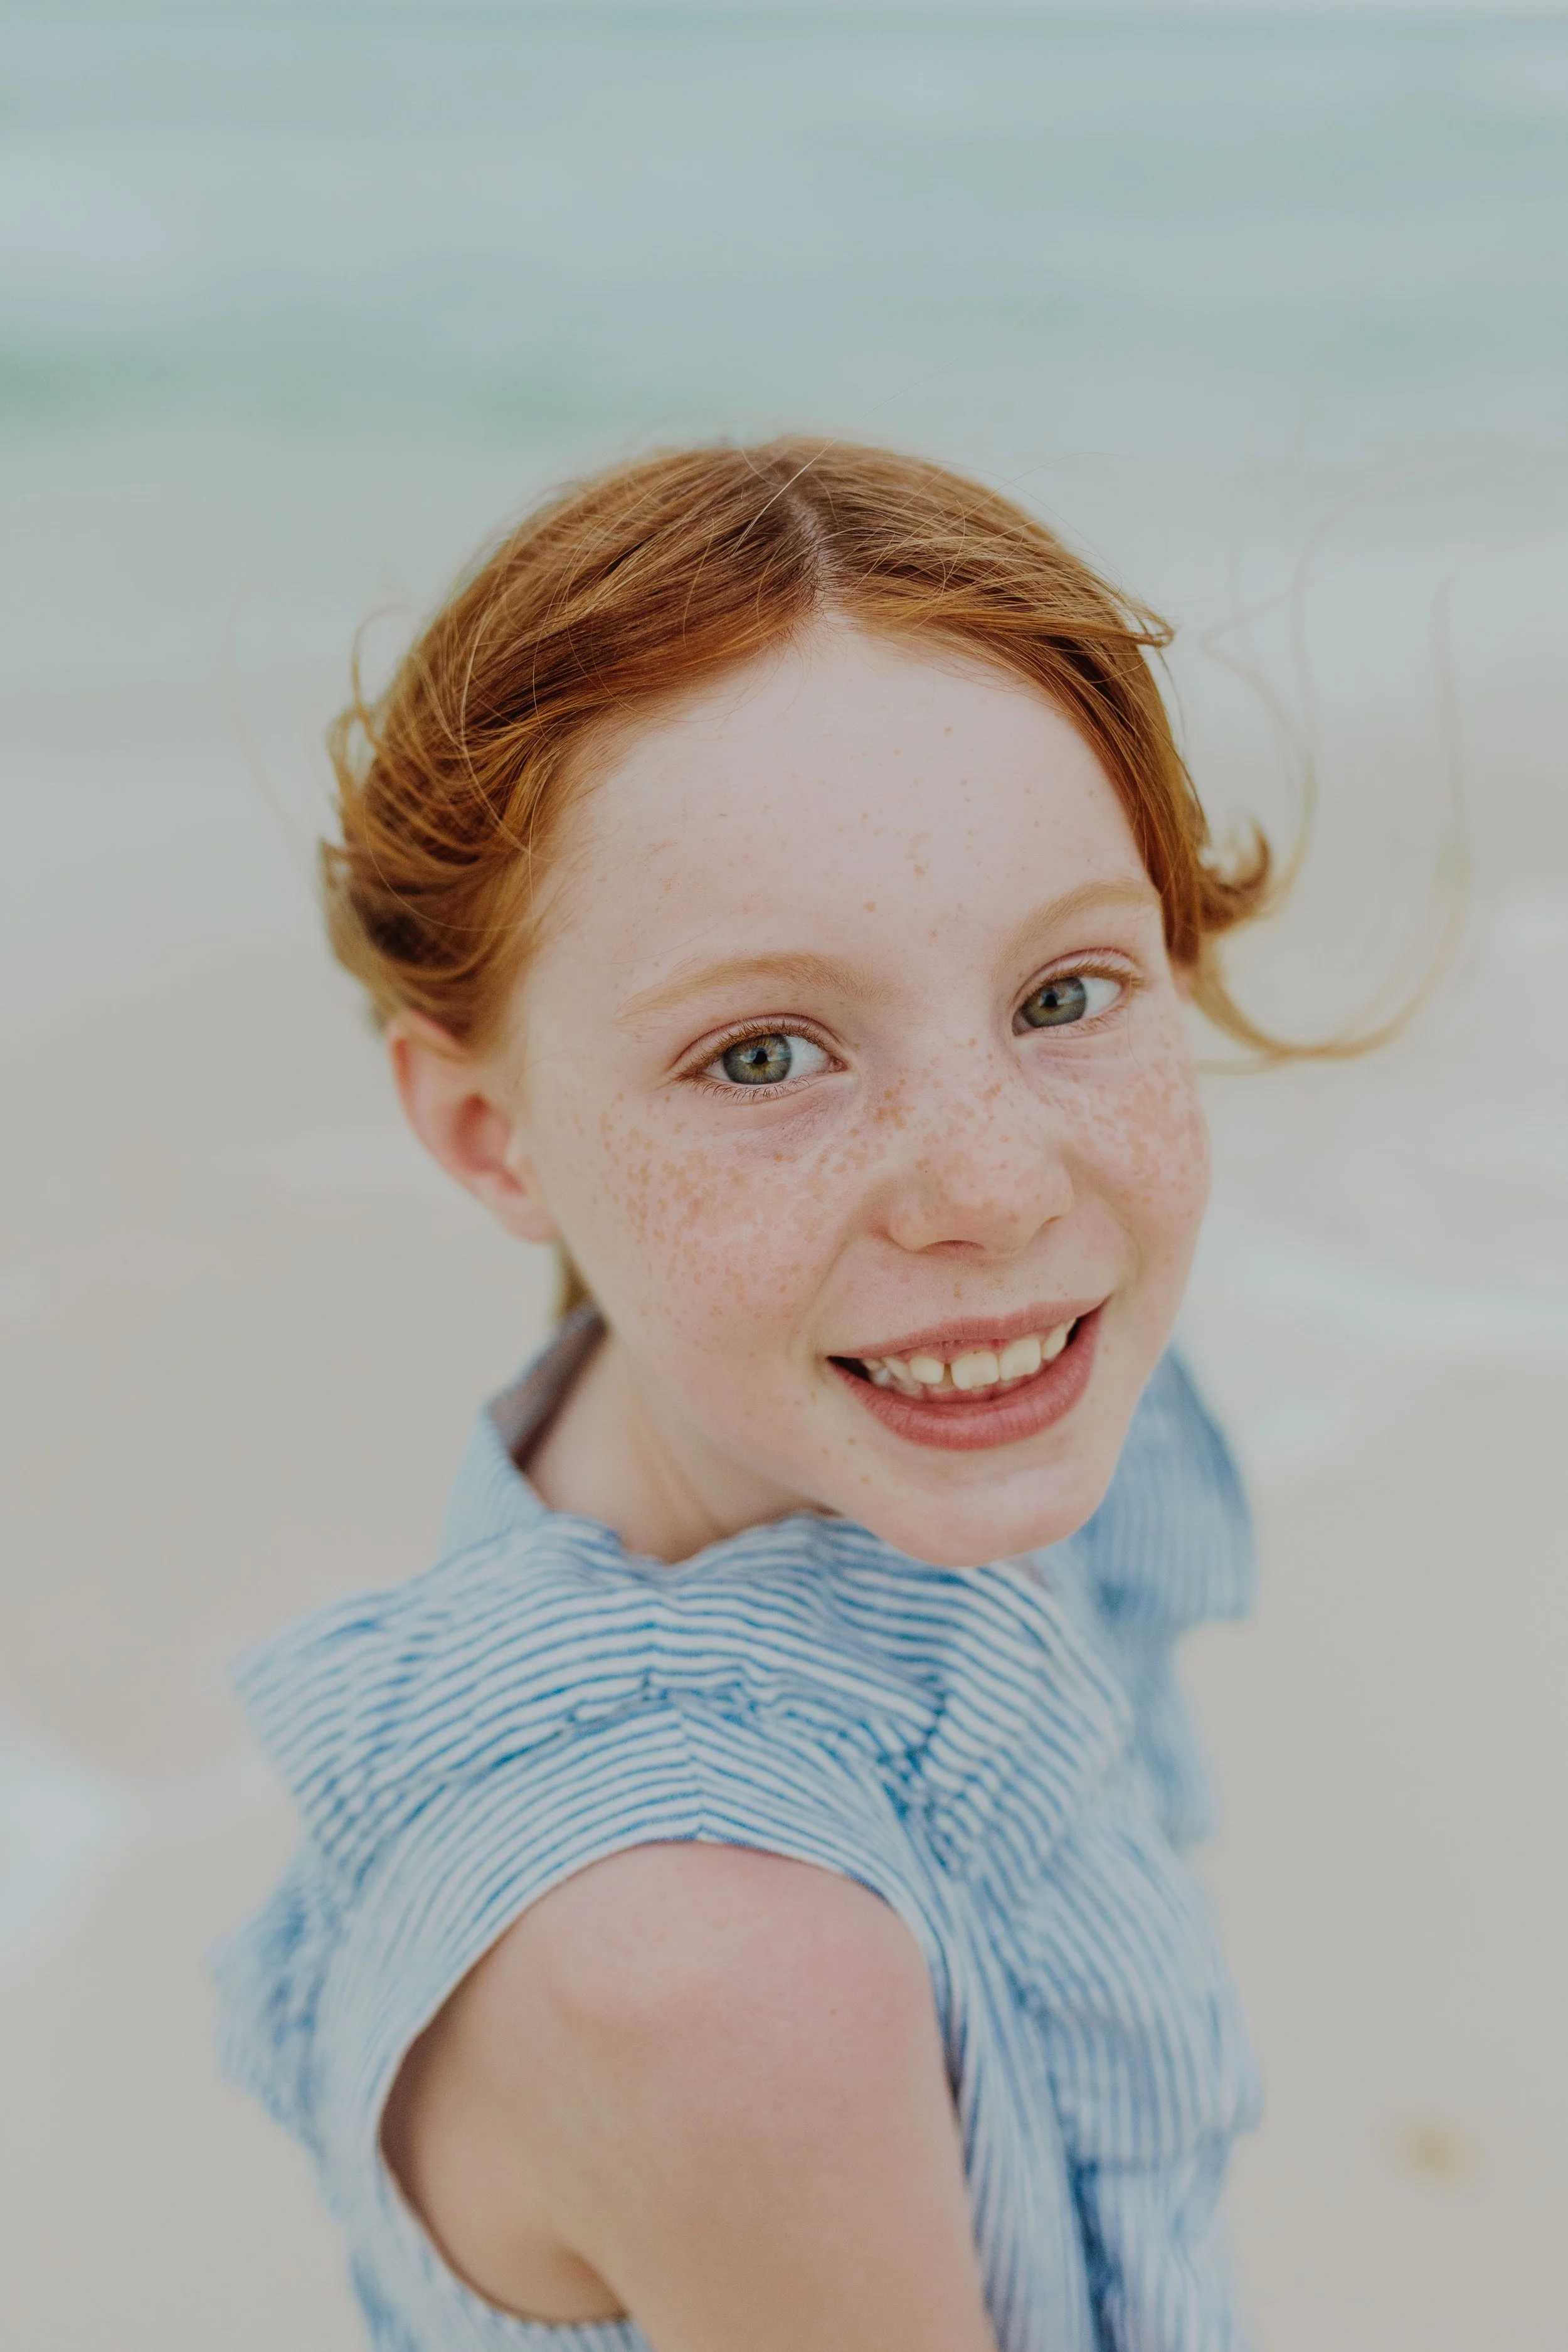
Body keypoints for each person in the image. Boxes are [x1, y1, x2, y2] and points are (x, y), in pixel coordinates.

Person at [214, 440, 1285, 2351]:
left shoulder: (937, 1416)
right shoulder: (724, 1969)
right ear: (488, 1128)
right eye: (765, 1051)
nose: (995, 1190)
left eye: (1062, 995)